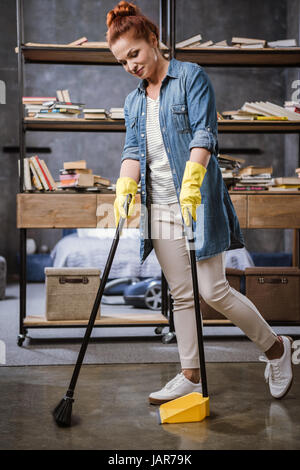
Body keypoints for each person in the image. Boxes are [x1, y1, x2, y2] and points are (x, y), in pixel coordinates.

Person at [106, 1, 293, 404]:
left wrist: (192, 182)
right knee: (181, 294)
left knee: (213, 290)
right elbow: (133, 150)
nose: (131, 66)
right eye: (122, 61)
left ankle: (277, 348)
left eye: (134, 54)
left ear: (153, 41)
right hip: (157, 207)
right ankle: (190, 374)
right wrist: (124, 187)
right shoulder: (134, 101)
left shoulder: (191, 77)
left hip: (194, 200)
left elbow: (203, 135)